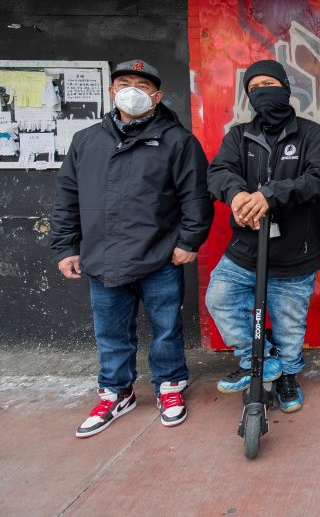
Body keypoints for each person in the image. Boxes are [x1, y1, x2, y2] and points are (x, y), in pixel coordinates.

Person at [51, 60, 213, 438]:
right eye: (124, 83)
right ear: (111, 91)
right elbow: (67, 197)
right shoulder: (87, 140)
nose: (131, 91)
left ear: (156, 96)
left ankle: (170, 386)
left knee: (166, 328)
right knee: (110, 331)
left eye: (142, 85)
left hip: (159, 256)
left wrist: (188, 242)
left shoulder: (178, 141)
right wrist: (65, 247)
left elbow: (196, 197)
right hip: (101, 258)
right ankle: (116, 391)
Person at [205, 59, 320, 413]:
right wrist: (236, 195)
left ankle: (288, 375)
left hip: (296, 250)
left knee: (290, 323)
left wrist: (269, 194)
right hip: (245, 250)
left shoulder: (311, 135)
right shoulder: (238, 136)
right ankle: (258, 360)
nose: (261, 91)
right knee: (219, 297)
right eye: (253, 87)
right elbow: (218, 171)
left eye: (268, 83)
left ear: (284, 88)